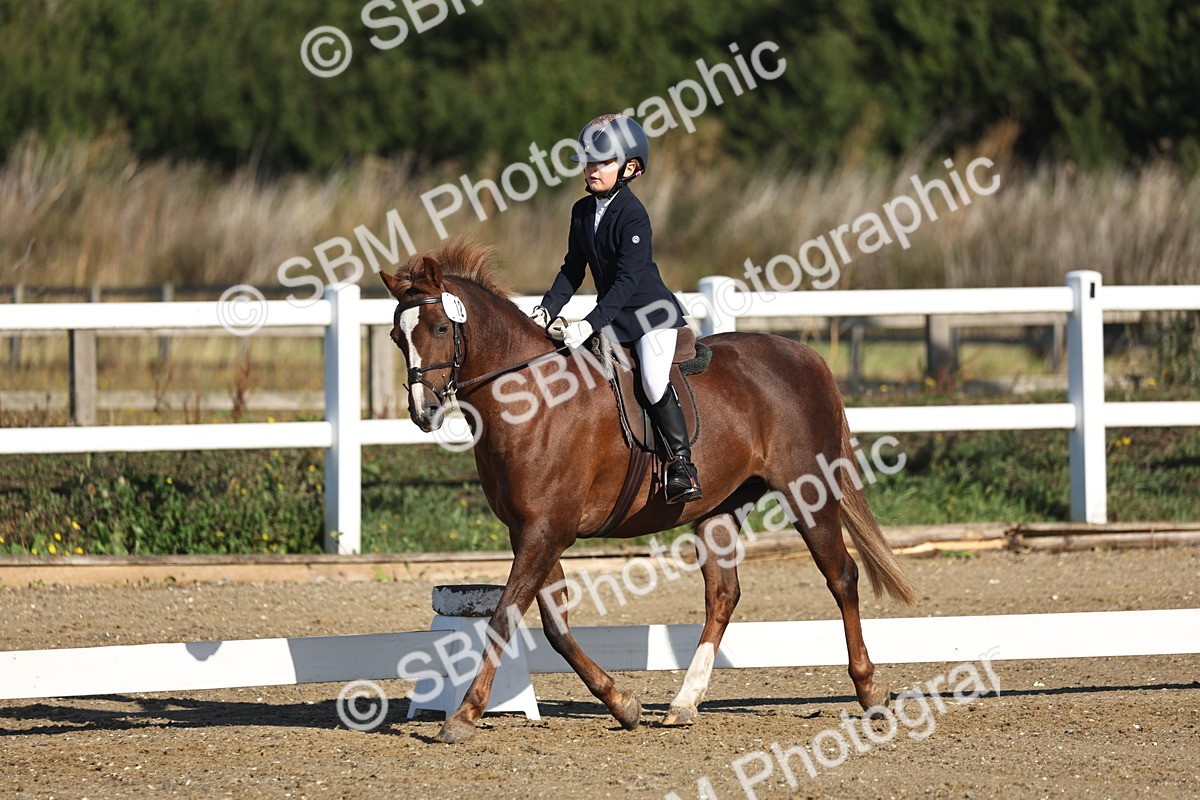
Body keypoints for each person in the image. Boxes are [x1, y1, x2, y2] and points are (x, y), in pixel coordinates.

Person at [530, 114, 702, 504]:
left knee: (653, 382)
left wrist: (588, 324)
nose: (592, 168)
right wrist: (545, 310)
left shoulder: (633, 213)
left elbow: (627, 280)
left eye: (602, 161)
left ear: (631, 167)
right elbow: (572, 269)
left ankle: (682, 466)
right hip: (613, 316)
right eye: (589, 160)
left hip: (650, 316)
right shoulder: (580, 211)